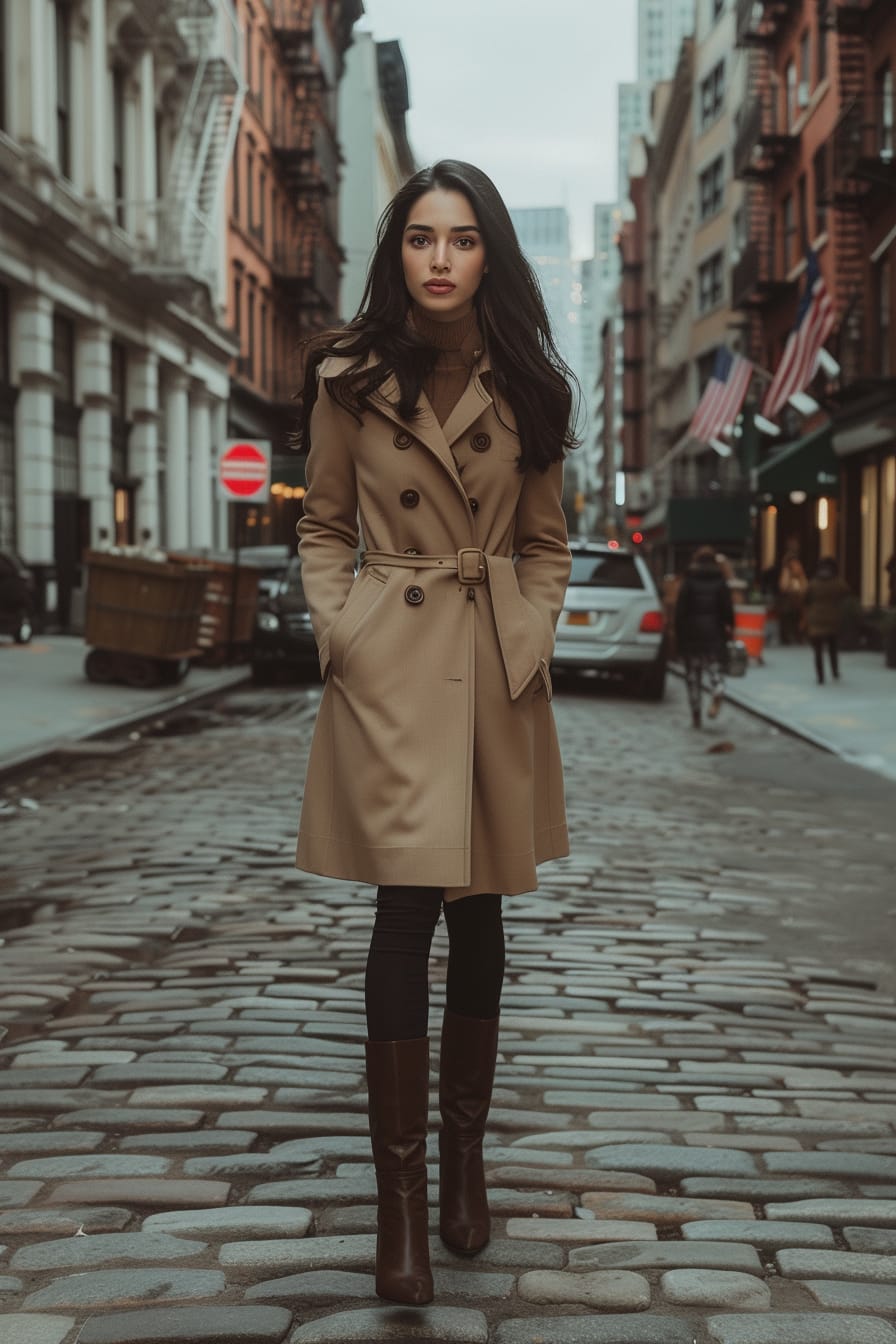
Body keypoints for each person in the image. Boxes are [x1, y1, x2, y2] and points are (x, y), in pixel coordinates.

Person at [293, 161, 575, 1305]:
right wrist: (344, 630)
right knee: (403, 909)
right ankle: (399, 1207)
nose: (440, 258)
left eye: (461, 239)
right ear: (396, 251)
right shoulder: (347, 377)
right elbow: (320, 521)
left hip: (490, 669)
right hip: (394, 665)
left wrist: (530, 628)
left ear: (488, 255)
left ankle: (465, 1160)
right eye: (420, 238)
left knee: (485, 916)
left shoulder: (530, 386)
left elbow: (548, 541)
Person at [675, 545, 734, 729]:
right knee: (714, 669)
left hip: (691, 637)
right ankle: (718, 688)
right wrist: (729, 628)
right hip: (714, 635)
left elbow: (680, 612)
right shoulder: (720, 581)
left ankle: (696, 715)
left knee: (693, 677)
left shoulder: (689, 581)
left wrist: (679, 636)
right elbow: (728, 611)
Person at [805, 556, 850, 684]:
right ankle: (835, 671)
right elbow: (847, 592)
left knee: (818, 650)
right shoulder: (837, 582)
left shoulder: (814, 583)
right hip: (833, 618)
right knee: (833, 647)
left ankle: (820, 676)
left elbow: (806, 598)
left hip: (816, 618)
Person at [777, 551, 808, 645]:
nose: (796, 565)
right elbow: (783, 587)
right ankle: (789, 637)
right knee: (788, 611)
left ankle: (800, 635)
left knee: (803, 612)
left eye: (797, 562)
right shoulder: (786, 572)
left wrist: (800, 574)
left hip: (800, 602)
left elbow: (806, 588)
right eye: (793, 563)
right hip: (789, 603)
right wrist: (787, 572)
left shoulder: (801, 575)